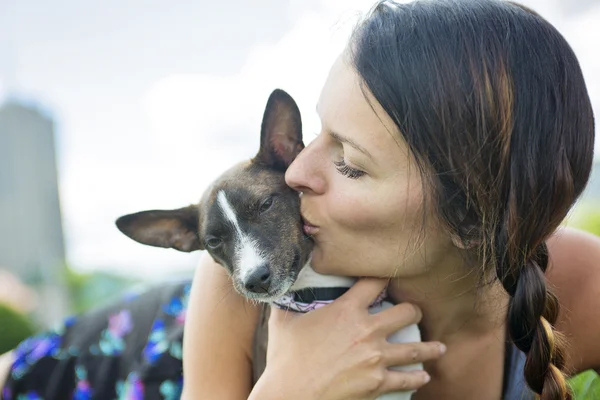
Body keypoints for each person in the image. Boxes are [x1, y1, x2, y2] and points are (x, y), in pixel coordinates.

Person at [1, 1, 598, 400]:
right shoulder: (237, 277)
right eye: (316, 133)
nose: (294, 174)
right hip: (112, 359)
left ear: (470, 219)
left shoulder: (583, 286)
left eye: (350, 164)